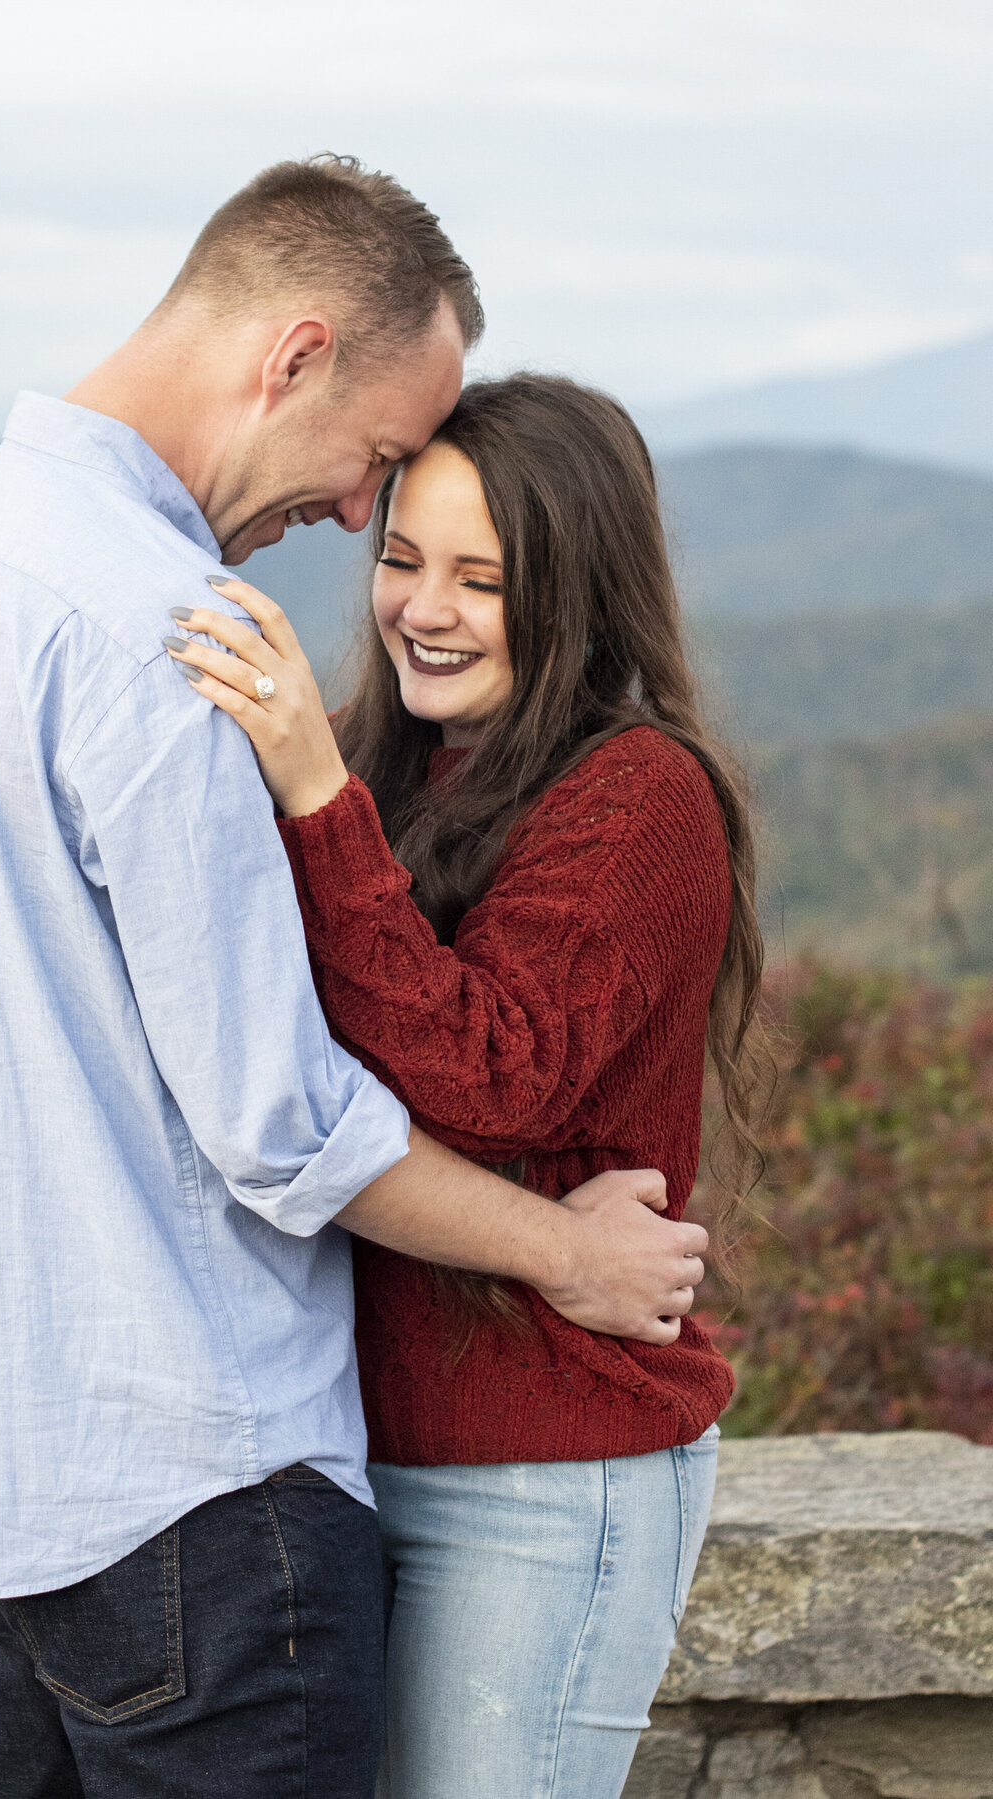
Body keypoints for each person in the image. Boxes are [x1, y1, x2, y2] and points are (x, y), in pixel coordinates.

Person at [0, 162, 708, 1799]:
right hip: (191, 1484)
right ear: (295, 354)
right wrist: (560, 1252)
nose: (347, 519)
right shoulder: (167, 636)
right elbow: (278, 1119)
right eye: (377, 468)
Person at [164, 372, 765, 1799]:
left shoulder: (639, 798)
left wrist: (315, 797)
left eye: (483, 579)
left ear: (581, 590)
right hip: (350, 1453)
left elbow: (493, 1079)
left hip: (550, 1473)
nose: (423, 608)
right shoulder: (405, 771)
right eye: (402, 559)